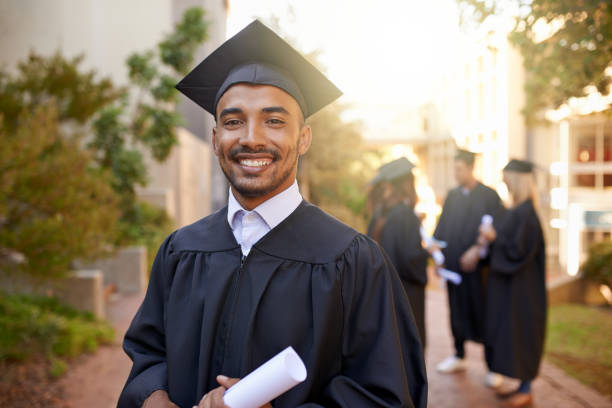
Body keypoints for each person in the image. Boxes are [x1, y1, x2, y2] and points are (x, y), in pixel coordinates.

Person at [117, 20, 427, 408]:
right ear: (215, 139)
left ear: (303, 138)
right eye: (233, 122)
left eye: (274, 121)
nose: (251, 138)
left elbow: (386, 396)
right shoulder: (181, 251)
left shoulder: (354, 261)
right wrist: (152, 397)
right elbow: (147, 353)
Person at [430, 149, 503, 386]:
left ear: (472, 168)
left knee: (485, 314)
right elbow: (441, 230)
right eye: (454, 168)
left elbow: (499, 231)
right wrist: (437, 256)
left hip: (479, 272)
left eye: (459, 169)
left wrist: (477, 251)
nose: (455, 173)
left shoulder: (489, 196)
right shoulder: (452, 196)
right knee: (456, 313)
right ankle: (459, 355)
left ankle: (493, 367)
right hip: (454, 269)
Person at [478, 159, 546, 408]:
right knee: (510, 333)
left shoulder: (526, 214)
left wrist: (494, 238)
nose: (504, 183)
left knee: (524, 333)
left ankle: (527, 388)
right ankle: (521, 385)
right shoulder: (516, 211)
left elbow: (518, 252)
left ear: (518, 180)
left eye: (507, 179)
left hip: (524, 291)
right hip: (512, 289)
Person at [367, 158, 429, 348]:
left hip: (384, 286)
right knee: (409, 341)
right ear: (406, 184)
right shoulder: (405, 215)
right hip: (406, 291)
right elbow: (409, 258)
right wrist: (428, 252)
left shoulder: (380, 212)